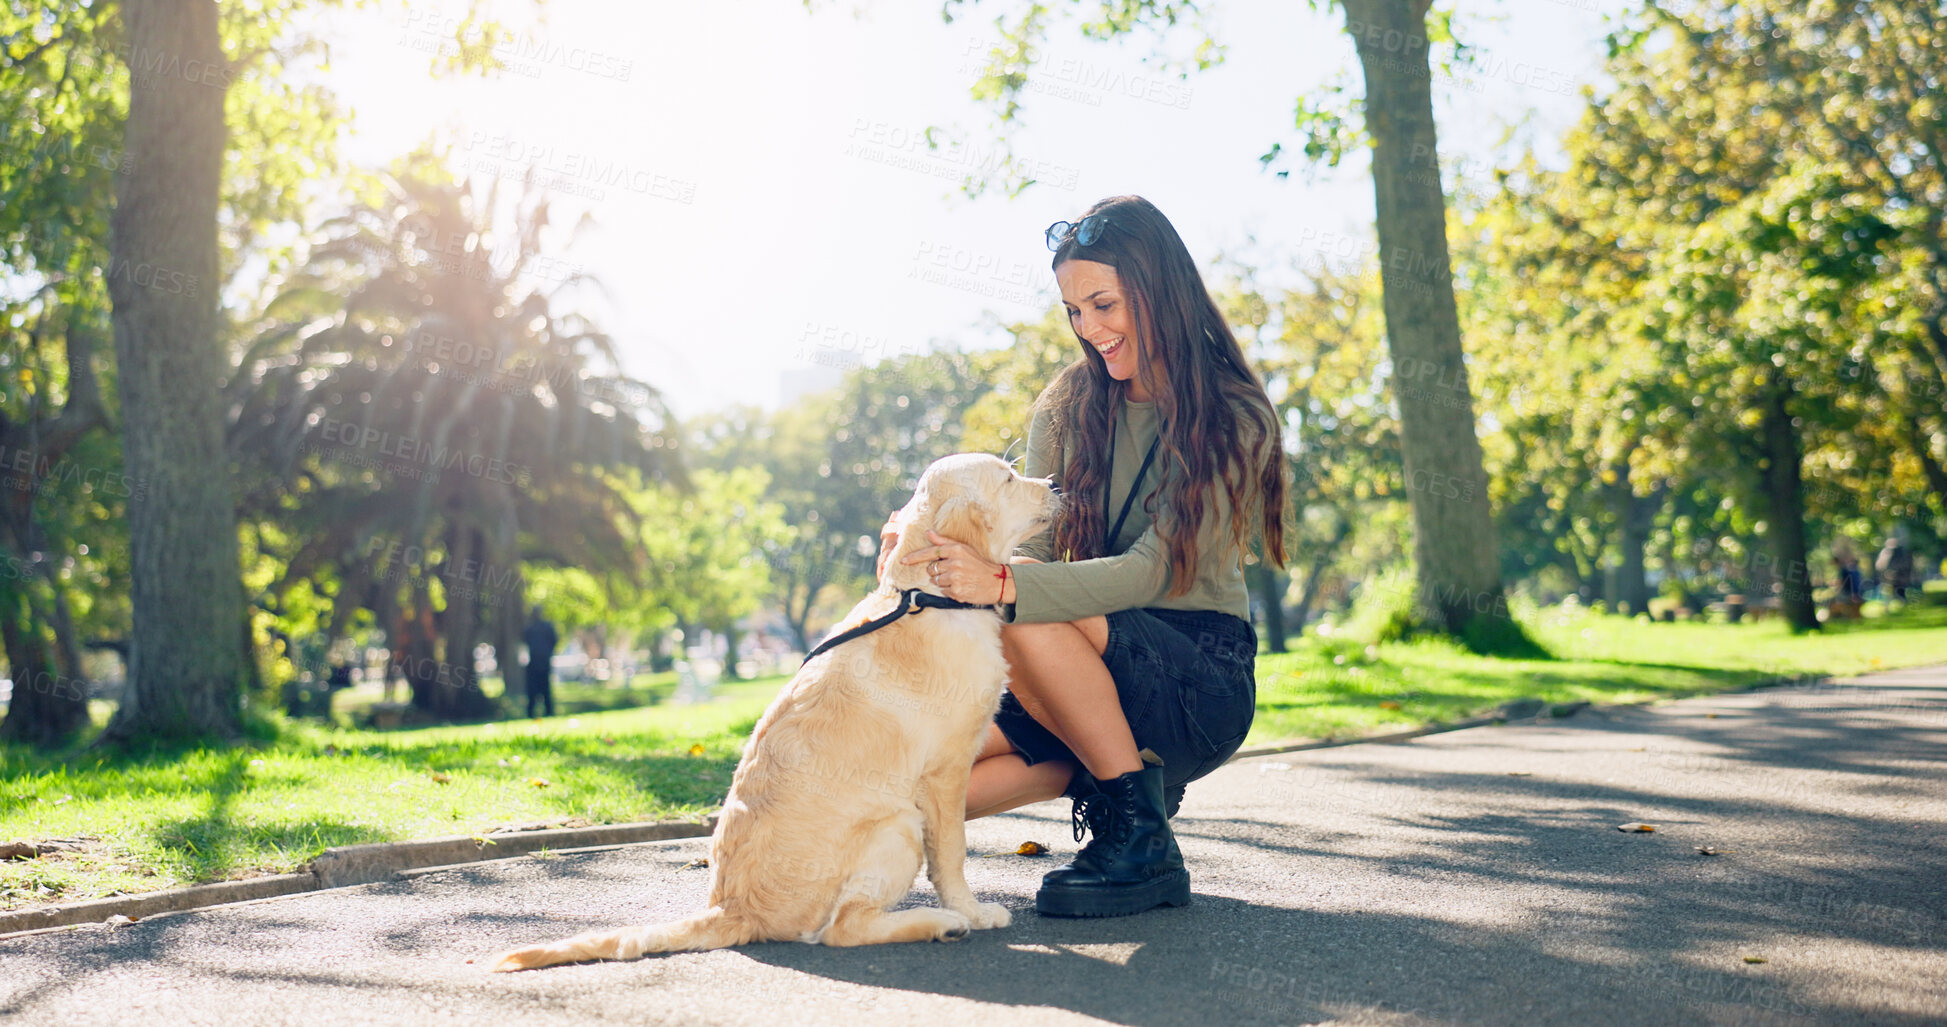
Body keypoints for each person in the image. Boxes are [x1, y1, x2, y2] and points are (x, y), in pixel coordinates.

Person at [887, 195, 1288, 919]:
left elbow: (1146, 571)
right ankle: (1125, 781)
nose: (1090, 330)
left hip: (1196, 683)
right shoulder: (1068, 404)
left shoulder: (1230, 413)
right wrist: (929, 553)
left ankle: (1139, 842)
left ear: (1156, 290)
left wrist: (1001, 581)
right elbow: (1028, 546)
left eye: (1103, 304)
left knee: (1018, 595)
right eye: (1074, 311)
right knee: (911, 785)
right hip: (1078, 664)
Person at [522, 606, 559, 718]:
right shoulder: (530, 628)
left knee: (545, 688)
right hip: (534, 662)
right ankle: (532, 713)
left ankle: (548, 711)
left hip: (543, 661)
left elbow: (554, 641)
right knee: (532, 690)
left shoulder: (545, 627)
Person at [1875, 536, 1913, 602]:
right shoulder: (1885, 552)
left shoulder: (1900, 552)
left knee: (1898, 593)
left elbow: (1879, 566)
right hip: (1889, 578)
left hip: (1897, 578)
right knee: (1888, 593)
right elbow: (1879, 565)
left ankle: (1899, 604)